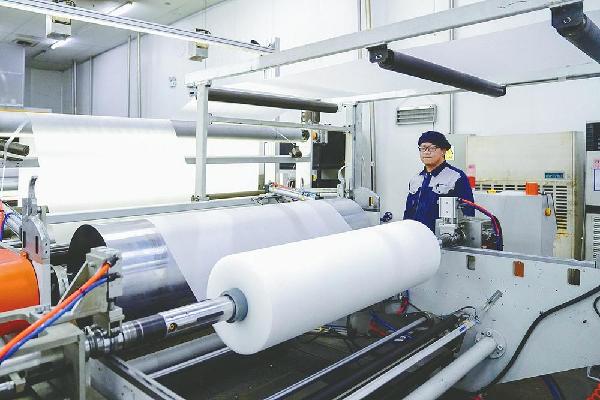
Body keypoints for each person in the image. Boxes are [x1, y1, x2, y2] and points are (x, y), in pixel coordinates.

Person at [403, 130, 474, 232]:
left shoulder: (456, 177)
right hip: (416, 236)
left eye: (432, 148)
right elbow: (408, 212)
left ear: (443, 151)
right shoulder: (416, 179)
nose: (426, 152)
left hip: (442, 238)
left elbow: (468, 215)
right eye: (423, 148)